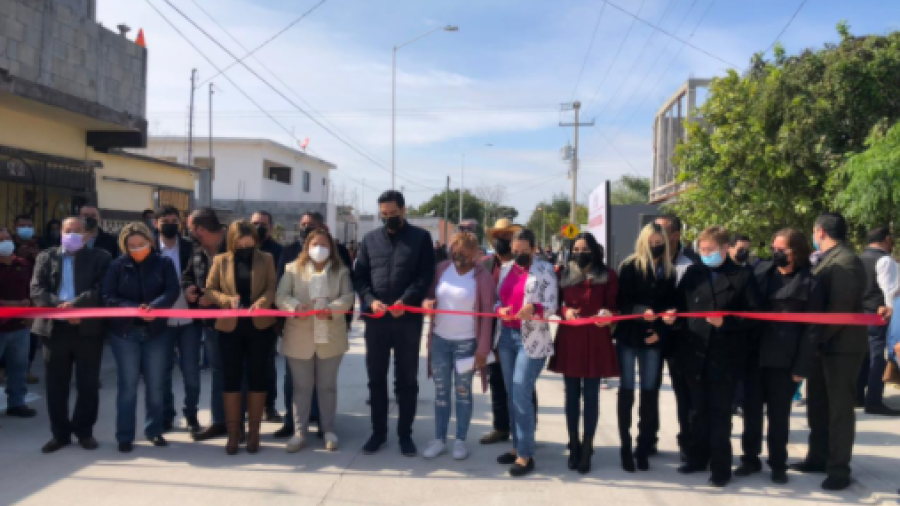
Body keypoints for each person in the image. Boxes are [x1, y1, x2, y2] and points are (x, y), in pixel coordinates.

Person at [666, 225, 761, 488]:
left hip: (724, 357)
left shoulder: (741, 277)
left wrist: (726, 323)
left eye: (710, 250)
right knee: (696, 411)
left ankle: (721, 467)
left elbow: (753, 317)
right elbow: (680, 306)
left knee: (720, 414)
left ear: (724, 249)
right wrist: (671, 317)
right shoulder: (693, 274)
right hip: (694, 354)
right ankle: (697, 458)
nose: (704, 254)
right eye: (702, 249)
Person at [790, 213, 871, 491]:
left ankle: (839, 468)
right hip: (824, 346)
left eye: (814, 230)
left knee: (839, 411)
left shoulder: (846, 261)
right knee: (818, 406)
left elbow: (839, 312)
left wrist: (813, 340)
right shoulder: (828, 258)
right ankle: (817, 457)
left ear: (820, 231)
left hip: (842, 347)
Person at [736, 228, 824, 484]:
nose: (776, 253)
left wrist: (802, 365)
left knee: (778, 415)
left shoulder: (811, 282)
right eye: (774, 249)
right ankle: (750, 459)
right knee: (751, 412)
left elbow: (812, 329)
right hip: (755, 356)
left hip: (784, 360)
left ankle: (777, 464)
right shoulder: (761, 273)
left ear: (796, 251)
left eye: (781, 249)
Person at [354, 190, 435, 456]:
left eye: (393, 213)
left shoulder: (420, 238)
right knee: (376, 378)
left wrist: (407, 300)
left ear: (403, 210)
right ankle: (378, 433)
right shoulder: (369, 240)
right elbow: (360, 278)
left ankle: (405, 435)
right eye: (384, 214)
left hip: (407, 320)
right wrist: (369, 300)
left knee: (406, 380)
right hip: (376, 321)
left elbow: (425, 276)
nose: (388, 218)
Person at [31, 217, 111, 452]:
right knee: (56, 386)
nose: (72, 234)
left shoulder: (100, 257)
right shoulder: (46, 257)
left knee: (88, 384)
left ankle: (84, 431)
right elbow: (37, 289)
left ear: (86, 235)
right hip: (54, 329)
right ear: (61, 233)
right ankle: (60, 434)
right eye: (68, 230)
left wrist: (76, 306)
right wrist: (61, 307)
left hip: (87, 329)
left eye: (78, 231)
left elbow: (102, 289)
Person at [273, 211, 353, 438]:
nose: (319, 248)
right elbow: (281, 296)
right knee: (301, 388)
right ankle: (299, 431)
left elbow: (347, 298)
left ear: (331, 246)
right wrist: (296, 307)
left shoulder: (341, 270)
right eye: (314, 244)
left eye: (324, 244)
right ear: (307, 246)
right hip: (300, 337)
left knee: (327, 387)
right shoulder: (292, 269)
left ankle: (328, 430)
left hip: (330, 337)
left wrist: (332, 310)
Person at [102, 222, 179, 453]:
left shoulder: (163, 263)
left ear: (150, 242)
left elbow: (172, 290)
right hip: (125, 333)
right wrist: (136, 309)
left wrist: (153, 308)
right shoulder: (116, 266)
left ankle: (154, 430)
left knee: (155, 385)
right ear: (124, 246)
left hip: (156, 332)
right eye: (132, 245)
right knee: (127, 386)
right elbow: (108, 296)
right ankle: (124, 435)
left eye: (141, 244)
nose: (137, 249)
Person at [204, 221, 278, 455]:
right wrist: (227, 300)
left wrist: (263, 302)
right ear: (232, 241)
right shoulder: (220, 260)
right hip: (230, 327)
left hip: (259, 326)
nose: (246, 246)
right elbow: (209, 290)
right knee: (231, 377)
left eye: (250, 242)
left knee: (258, 376)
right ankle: (234, 433)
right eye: (241, 243)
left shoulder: (266, 259)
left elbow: (271, 287)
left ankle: (254, 433)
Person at [421, 232, 496, 461]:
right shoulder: (442, 269)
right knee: (441, 393)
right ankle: (439, 439)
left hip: (466, 344)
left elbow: (487, 317)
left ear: (475, 253)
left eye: (464, 251)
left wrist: (482, 349)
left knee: (462, 393)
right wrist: (427, 303)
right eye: (455, 249)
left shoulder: (482, 278)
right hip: (440, 341)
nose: (458, 254)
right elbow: (429, 295)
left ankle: (460, 440)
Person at [549, 232, 619, 474]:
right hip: (571, 338)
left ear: (595, 250)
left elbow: (614, 305)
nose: (580, 254)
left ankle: (588, 443)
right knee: (571, 396)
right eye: (576, 249)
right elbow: (555, 302)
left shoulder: (607, 274)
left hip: (596, 339)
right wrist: (565, 311)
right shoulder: (563, 273)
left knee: (591, 396)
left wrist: (608, 315)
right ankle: (574, 444)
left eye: (584, 249)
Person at [613, 223, 677, 473]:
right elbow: (622, 302)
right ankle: (625, 446)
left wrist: (662, 329)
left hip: (653, 339)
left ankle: (643, 446)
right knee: (626, 391)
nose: (655, 246)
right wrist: (641, 312)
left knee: (650, 393)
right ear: (642, 242)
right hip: (629, 337)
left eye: (659, 242)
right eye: (650, 242)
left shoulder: (669, 270)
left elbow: (672, 304)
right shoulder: (629, 266)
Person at [495, 228, 558, 477]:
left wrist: (535, 307)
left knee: (521, 390)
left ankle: (525, 453)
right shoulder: (507, 269)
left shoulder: (545, 270)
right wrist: (500, 309)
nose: (519, 255)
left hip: (531, 340)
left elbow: (552, 305)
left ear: (534, 248)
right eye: (516, 250)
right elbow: (498, 300)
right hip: (507, 337)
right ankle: (516, 446)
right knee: (512, 393)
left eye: (524, 251)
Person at [478, 218, 539, 445]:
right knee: (497, 380)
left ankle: (526, 433)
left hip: (521, 331)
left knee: (523, 384)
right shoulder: (485, 265)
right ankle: (501, 427)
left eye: (506, 236)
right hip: (492, 332)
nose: (501, 240)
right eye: (498, 236)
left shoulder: (525, 265)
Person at [653, 214, 698, 460]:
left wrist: (677, 317)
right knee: (649, 390)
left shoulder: (691, 264)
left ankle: (688, 442)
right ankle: (648, 440)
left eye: (661, 229)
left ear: (675, 235)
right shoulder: (645, 259)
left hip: (681, 339)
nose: (655, 234)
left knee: (685, 394)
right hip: (650, 336)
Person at [156, 206, 203, 435]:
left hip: (189, 319)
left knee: (191, 371)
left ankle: (192, 414)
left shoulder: (191, 247)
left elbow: (200, 275)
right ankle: (167, 415)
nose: (170, 224)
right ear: (157, 224)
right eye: (165, 220)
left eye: (174, 220)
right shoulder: (150, 249)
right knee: (163, 371)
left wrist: (195, 290)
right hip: (162, 321)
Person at [182, 208, 228, 441]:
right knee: (218, 371)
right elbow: (189, 275)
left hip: (234, 323)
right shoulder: (198, 249)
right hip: (210, 323)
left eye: (190, 228)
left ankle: (238, 423)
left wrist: (215, 297)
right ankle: (220, 422)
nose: (188, 233)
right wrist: (188, 288)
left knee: (239, 372)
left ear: (200, 229)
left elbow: (247, 282)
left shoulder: (235, 245)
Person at [856, 226, 900, 415]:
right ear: (886, 239)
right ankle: (873, 401)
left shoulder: (858, 259)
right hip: (878, 315)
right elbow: (889, 290)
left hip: (859, 316)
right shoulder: (885, 260)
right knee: (877, 358)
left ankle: (857, 396)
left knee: (863, 358)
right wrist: (891, 312)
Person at [251, 210, 285, 424]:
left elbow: (280, 284)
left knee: (266, 365)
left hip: (268, 318)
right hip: (241, 317)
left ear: (271, 227)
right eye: (254, 223)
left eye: (263, 223)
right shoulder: (239, 248)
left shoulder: (279, 251)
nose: (258, 227)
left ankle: (269, 406)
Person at [0, 226, 37, 418]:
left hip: (20, 326)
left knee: (19, 366)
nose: (5, 243)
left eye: (6, 238)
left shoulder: (23, 264)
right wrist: (11, 304)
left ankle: (17, 403)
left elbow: (34, 289)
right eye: (0, 240)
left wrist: (30, 306)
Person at [12, 215, 42, 385]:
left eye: (29, 225)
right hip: (10, 298)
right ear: (15, 227)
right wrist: (17, 254)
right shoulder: (8, 244)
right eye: (22, 225)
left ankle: (27, 368)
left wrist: (37, 256)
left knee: (30, 335)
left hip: (31, 298)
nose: (26, 228)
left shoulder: (39, 244)